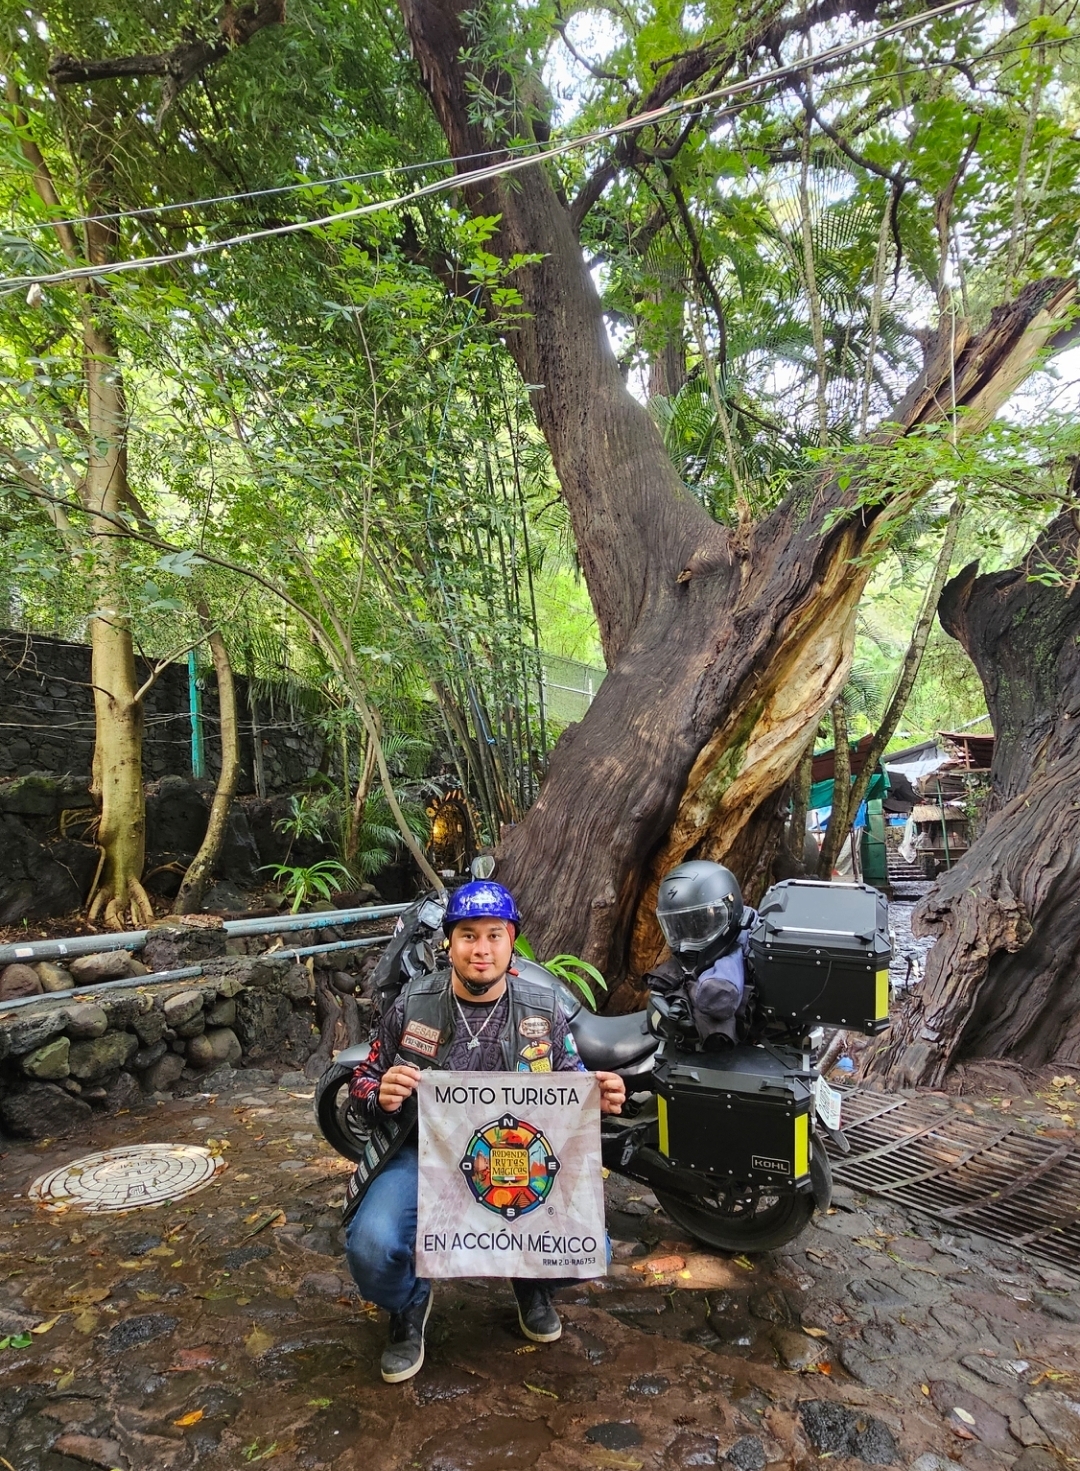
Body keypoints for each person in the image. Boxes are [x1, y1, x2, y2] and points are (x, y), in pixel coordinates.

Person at [344, 879, 626, 1383]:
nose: (481, 950)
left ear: (511, 940)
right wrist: (379, 1092)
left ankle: (531, 1278)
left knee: (590, 1251)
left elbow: (572, 1084)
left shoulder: (543, 1008)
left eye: (494, 935)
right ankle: (409, 1304)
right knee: (371, 1246)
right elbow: (362, 1079)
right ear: (448, 943)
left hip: (517, 1160)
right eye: (468, 935)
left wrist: (599, 1098)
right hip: (421, 1155)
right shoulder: (412, 1004)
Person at [645, 860, 757, 1047]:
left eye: (700, 926)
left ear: (730, 914)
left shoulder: (747, 957)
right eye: (679, 927)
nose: (684, 947)